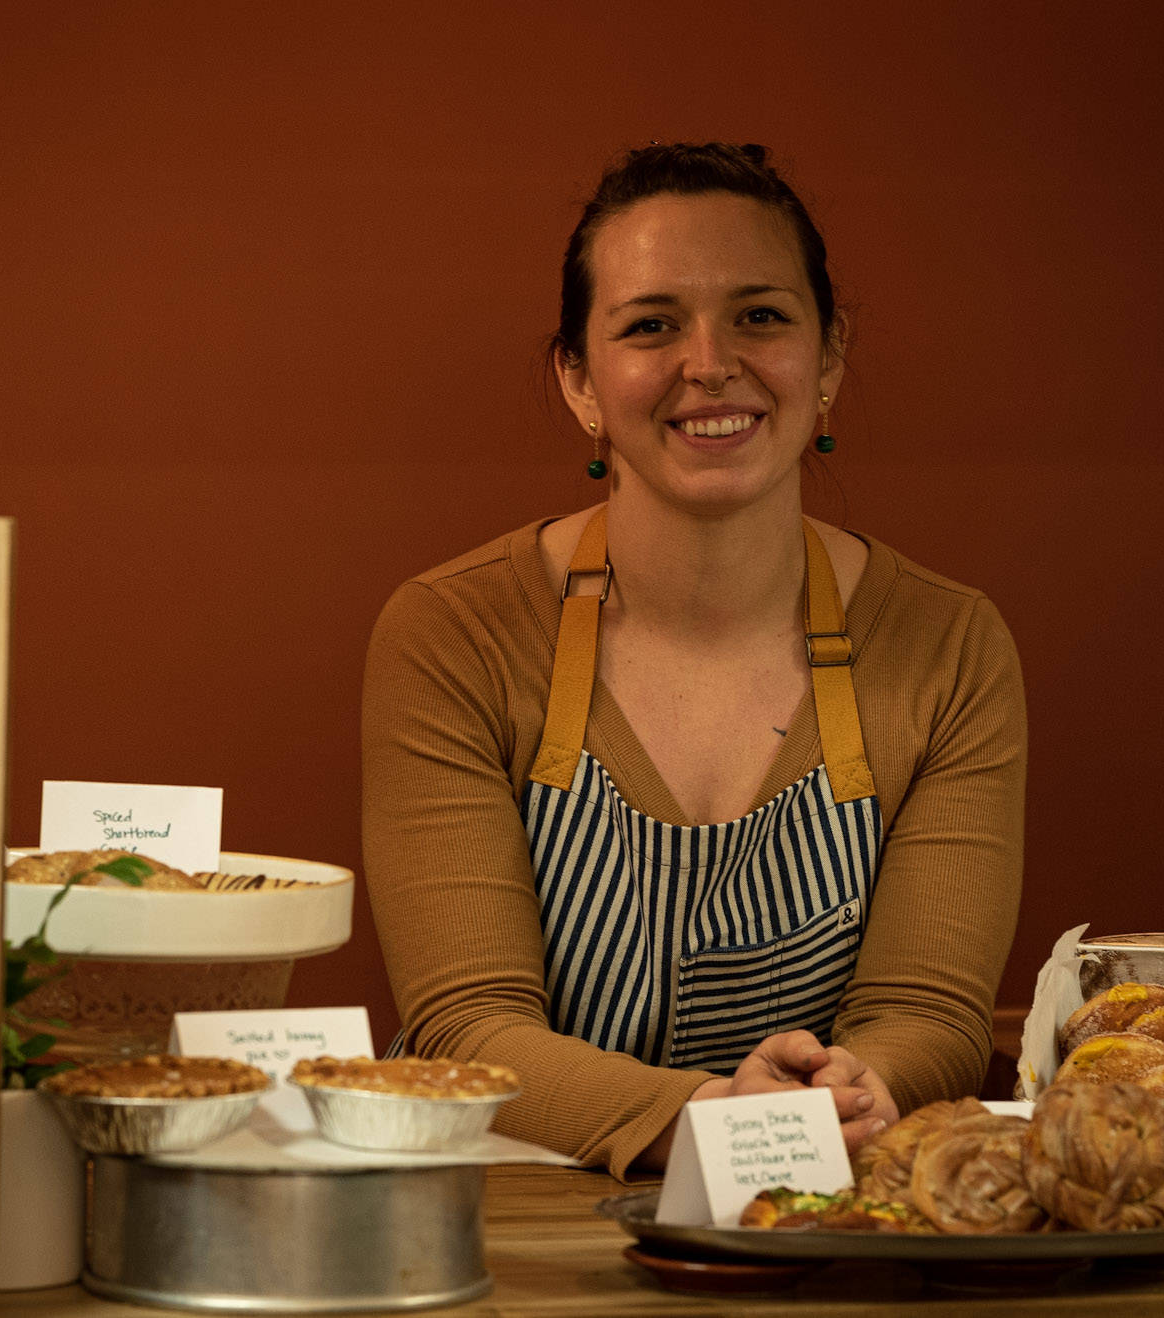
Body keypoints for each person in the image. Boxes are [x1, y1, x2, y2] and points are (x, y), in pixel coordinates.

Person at [360, 143, 1025, 1177]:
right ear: (579, 379)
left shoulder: (948, 642)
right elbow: (468, 1023)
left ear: (829, 356)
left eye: (759, 315)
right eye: (649, 325)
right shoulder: (452, 631)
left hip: (821, 1213)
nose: (708, 361)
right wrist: (715, 1117)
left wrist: (854, 1092)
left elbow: (924, 1011)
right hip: (515, 1219)